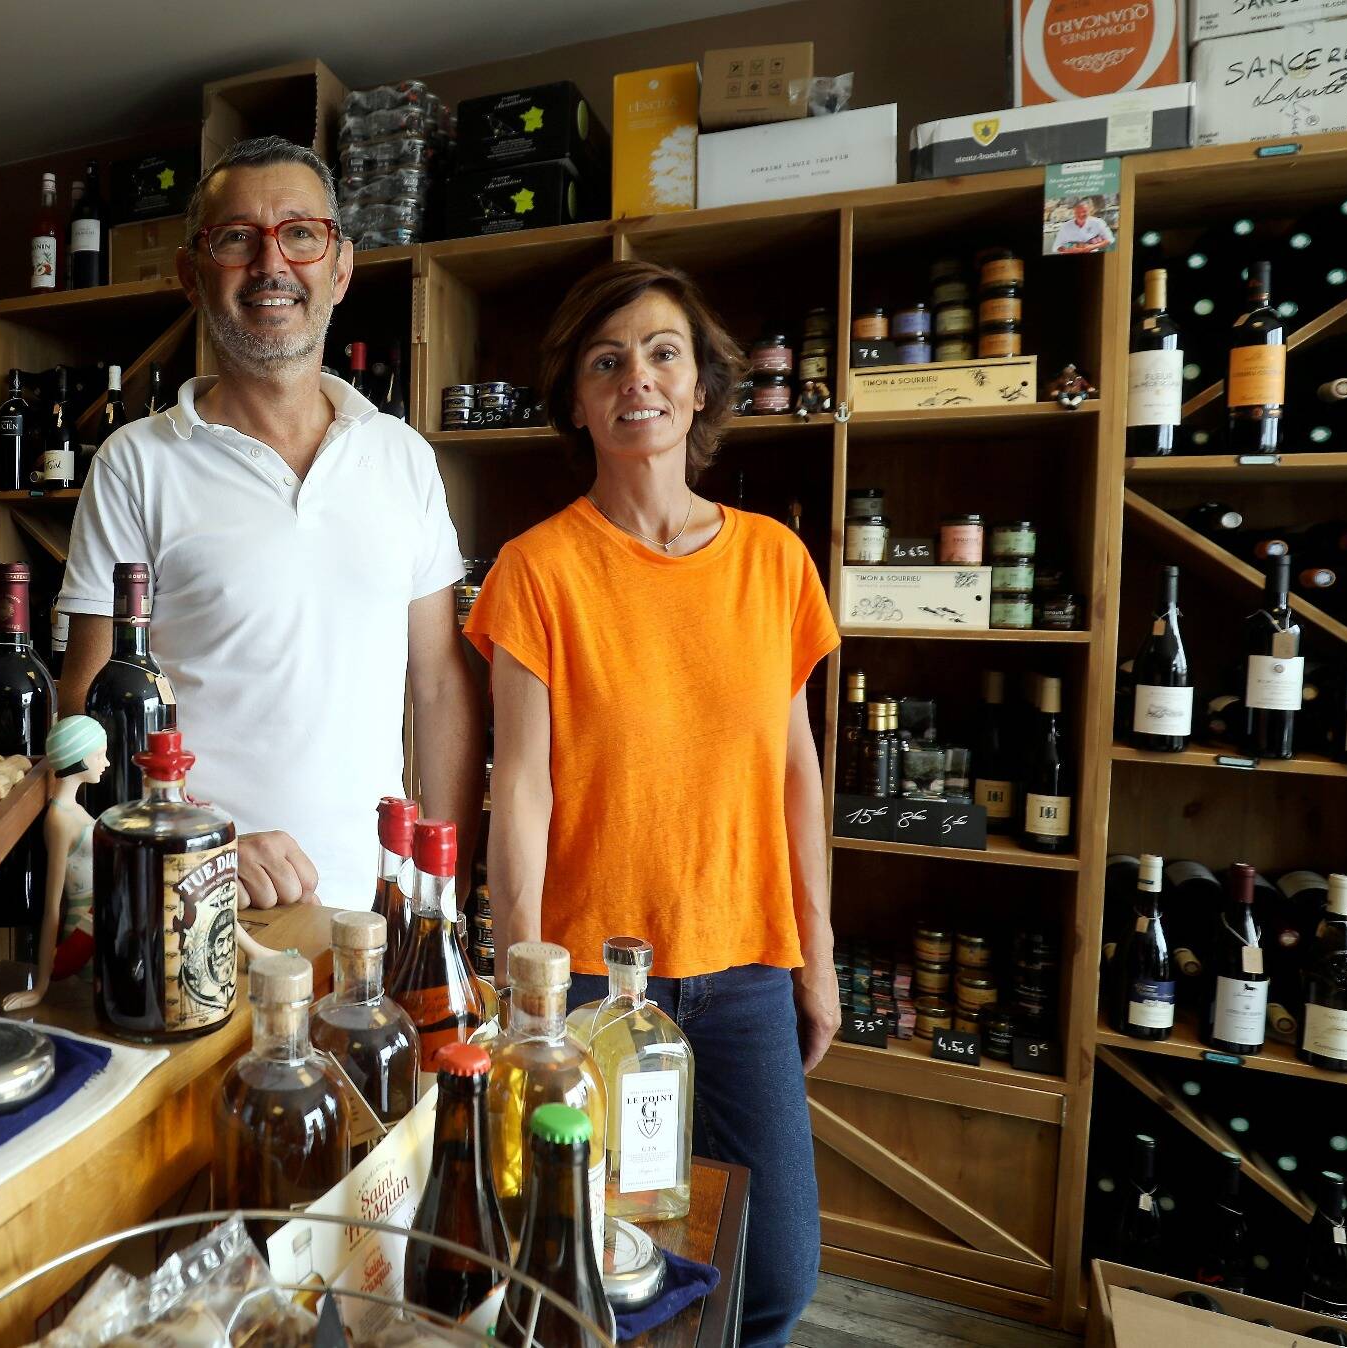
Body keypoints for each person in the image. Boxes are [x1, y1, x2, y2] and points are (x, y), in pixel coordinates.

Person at [463, 260, 838, 1346]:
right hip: (590, 981)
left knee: (775, 1275)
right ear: (577, 403)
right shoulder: (537, 570)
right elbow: (518, 789)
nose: (638, 377)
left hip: (745, 968)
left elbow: (795, 774)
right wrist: (523, 989)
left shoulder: (774, 562)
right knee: (596, 1273)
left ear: (701, 386)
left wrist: (816, 954)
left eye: (663, 352)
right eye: (606, 360)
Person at [56, 136, 482, 911]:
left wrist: (437, 895)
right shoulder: (136, 463)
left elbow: (441, 688)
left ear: (340, 268)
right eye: (235, 239)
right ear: (192, 274)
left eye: (301, 233)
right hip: (199, 902)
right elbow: (88, 707)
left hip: (375, 912)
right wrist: (194, 843)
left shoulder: (403, 457)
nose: (270, 263)